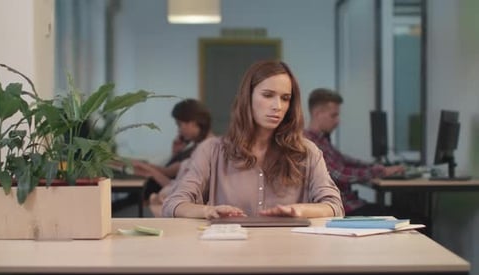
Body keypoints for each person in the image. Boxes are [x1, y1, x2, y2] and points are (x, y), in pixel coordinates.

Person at [162, 60, 344, 219]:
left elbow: (335, 206)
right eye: (268, 95)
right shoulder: (211, 150)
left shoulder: (307, 152)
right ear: (247, 98)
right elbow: (173, 204)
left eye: (285, 98)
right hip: (229, 252)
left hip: (288, 252)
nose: (277, 106)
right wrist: (207, 211)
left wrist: (299, 210)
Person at [304, 88, 405, 216]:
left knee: (407, 214)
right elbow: (339, 174)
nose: (337, 121)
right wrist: (381, 171)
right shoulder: (310, 143)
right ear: (318, 113)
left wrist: (375, 167)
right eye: (333, 115)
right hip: (345, 209)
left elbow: (346, 161)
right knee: (412, 218)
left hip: (352, 204)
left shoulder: (322, 140)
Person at [132, 98, 213, 200]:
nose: (179, 130)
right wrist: (176, 155)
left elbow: (176, 182)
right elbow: (173, 174)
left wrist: (150, 171)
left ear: (193, 123)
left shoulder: (207, 149)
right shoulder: (197, 147)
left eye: (179, 125)